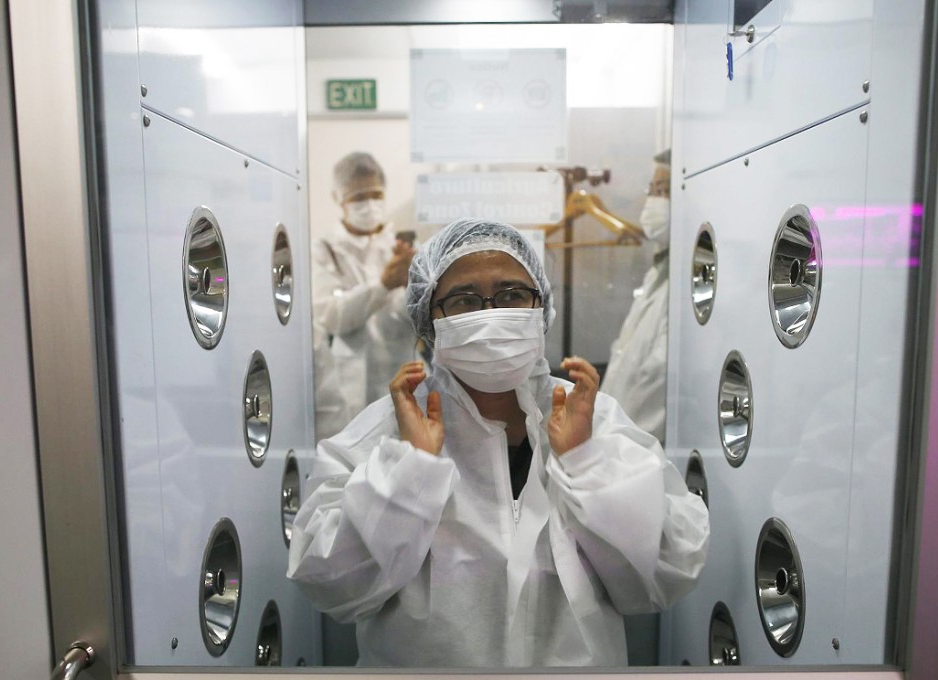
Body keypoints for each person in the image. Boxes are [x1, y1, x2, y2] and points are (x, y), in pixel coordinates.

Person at [287, 217, 709, 667]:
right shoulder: (386, 433)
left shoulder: (596, 422)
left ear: (540, 306)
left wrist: (587, 463)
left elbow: (669, 572)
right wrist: (408, 470)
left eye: (510, 295)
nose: (490, 313)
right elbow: (330, 585)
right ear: (428, 319)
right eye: (464, 300)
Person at [311, 152, 418, 441]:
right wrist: (382, 285)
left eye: (375, 194)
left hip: (403, 376)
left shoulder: (402, 248)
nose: (368, 205)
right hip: (346, 392)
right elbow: (331, 317)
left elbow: (415, 318)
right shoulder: (324, 250)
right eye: (358, 197)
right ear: (339, 199)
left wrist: (413, 284)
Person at [601, 149, 672, 444]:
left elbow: (657, 380)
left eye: (664, 190)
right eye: (652, 190)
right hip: (619, 443)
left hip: (642, 448)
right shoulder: (659, 272)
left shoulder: (683, 286)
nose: (653, 200)